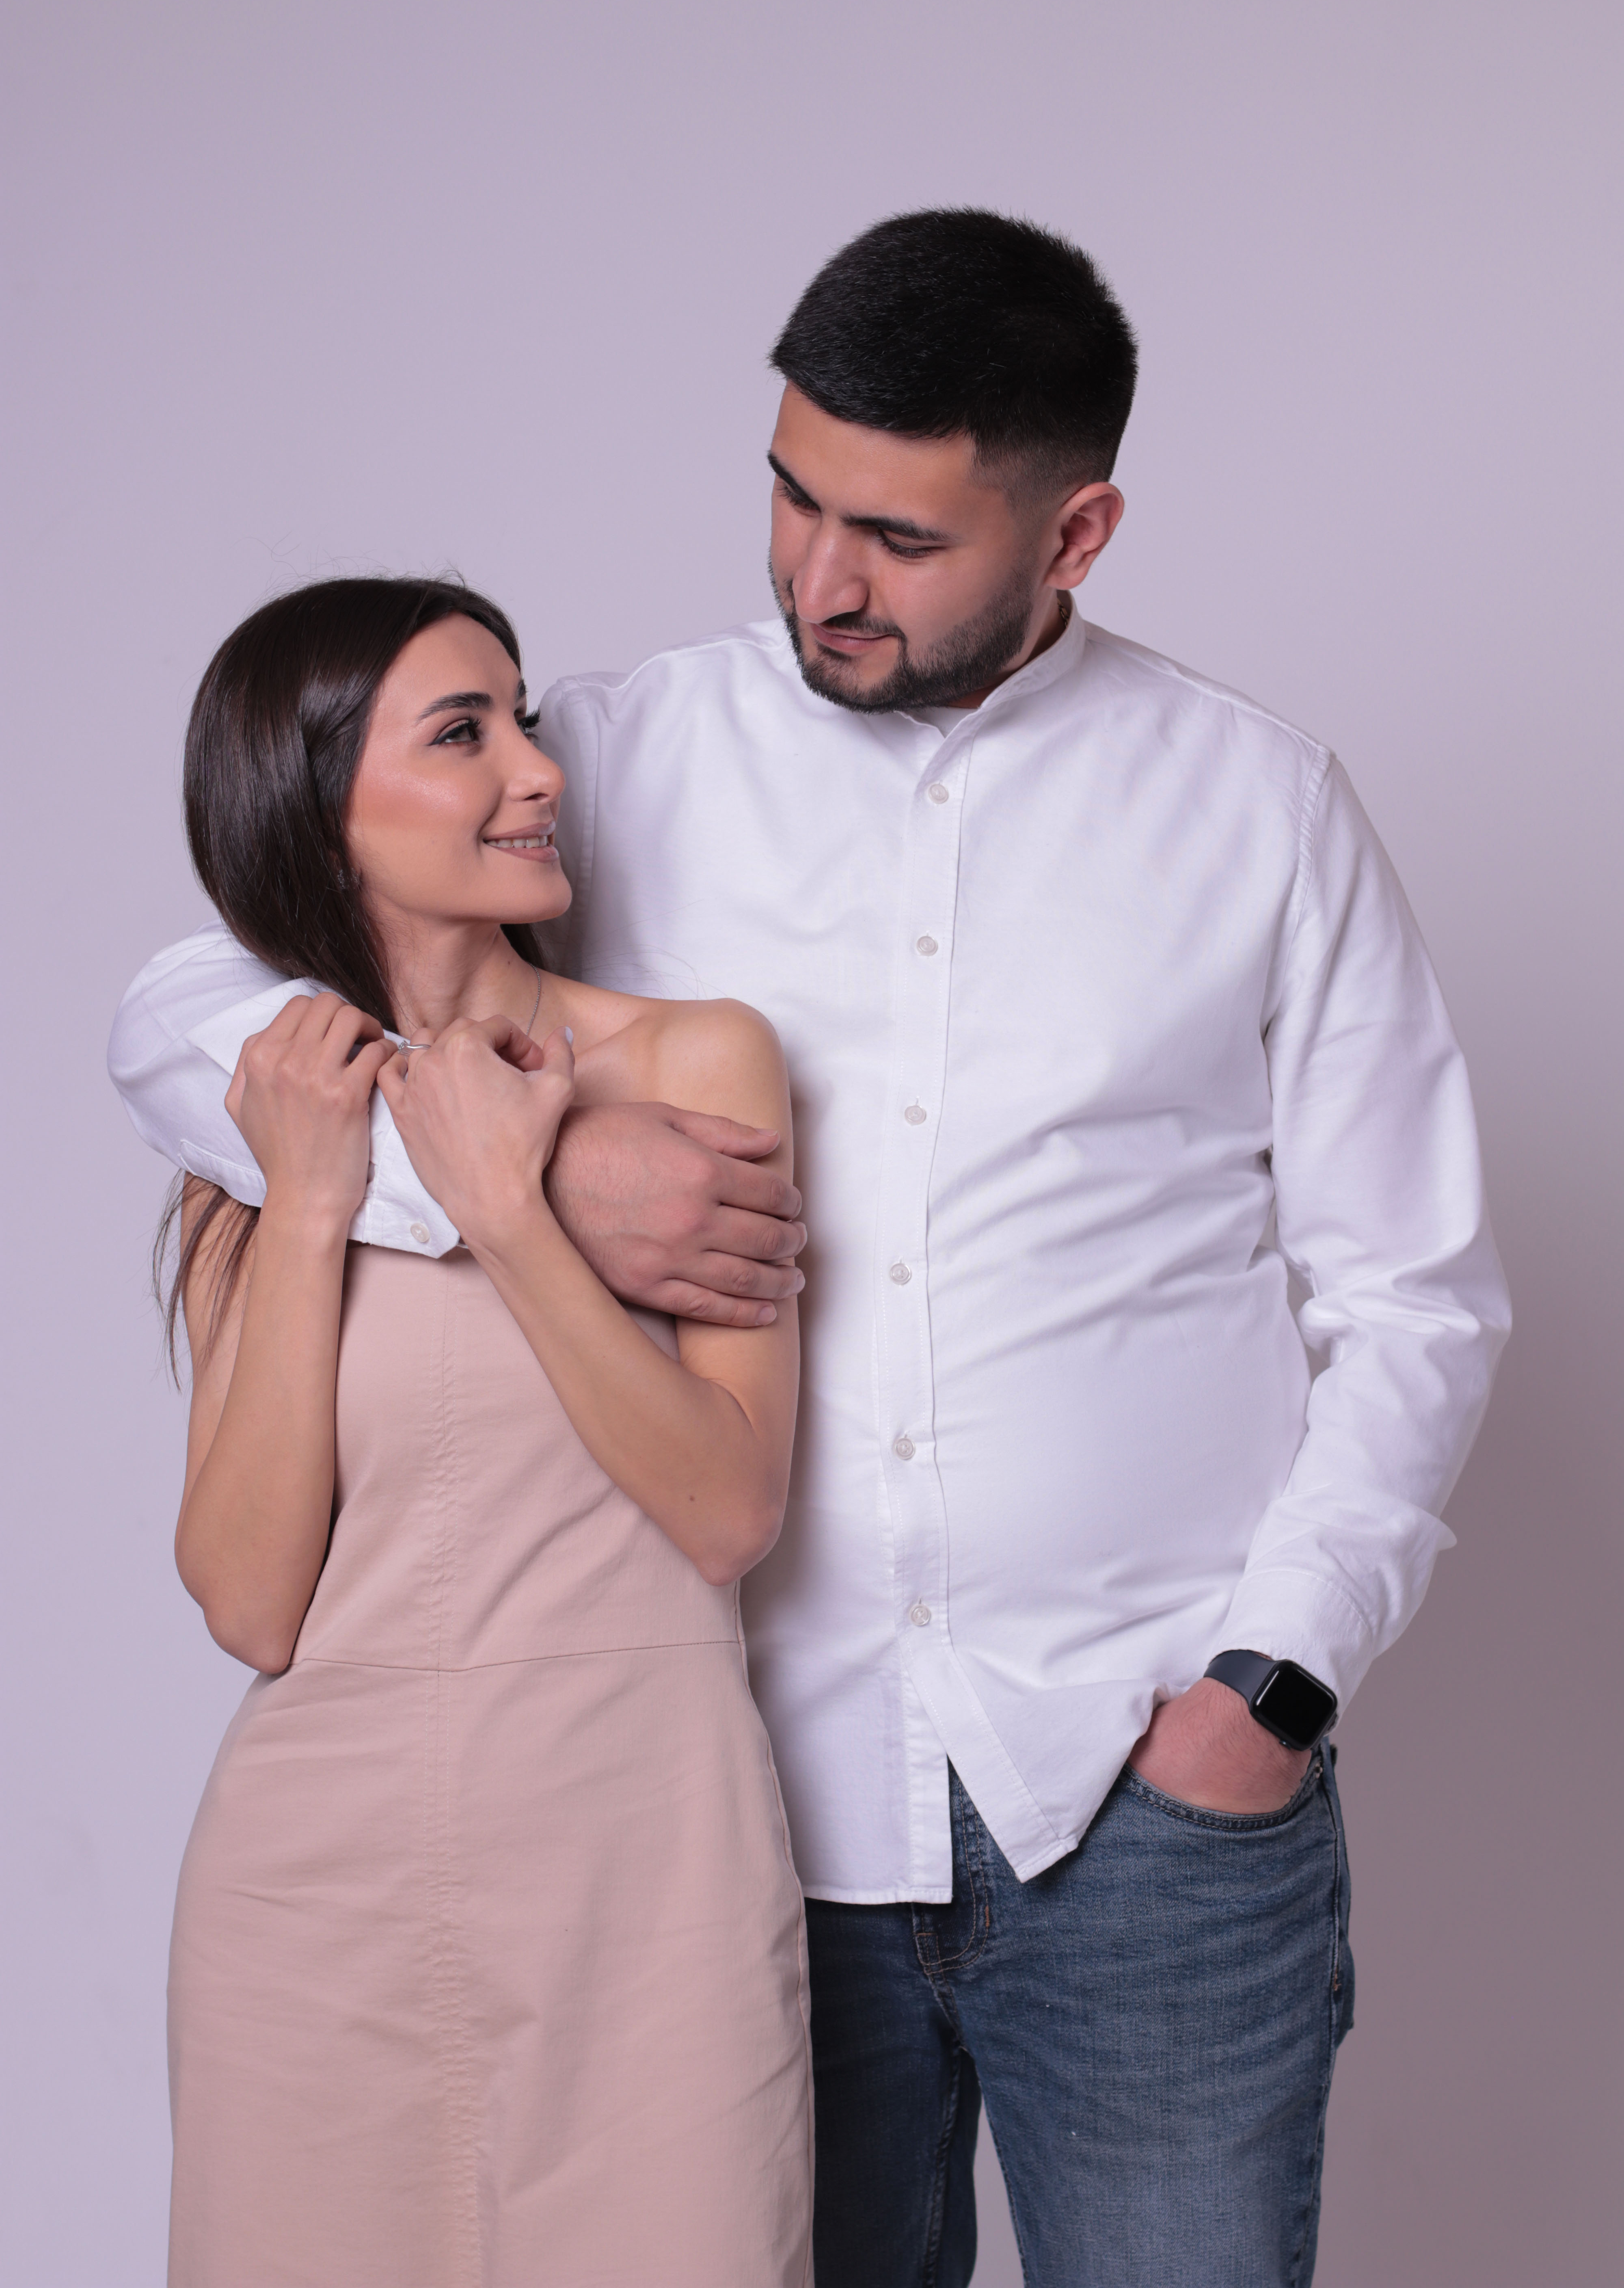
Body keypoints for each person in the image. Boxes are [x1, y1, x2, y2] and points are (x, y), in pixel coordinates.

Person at [112, 211, 1511, 2288]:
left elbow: (1415, 1294)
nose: (817, 577)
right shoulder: (614, 756)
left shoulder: (1259, 811)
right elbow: (197, 998)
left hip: (1137, 1806)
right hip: (734, 1814)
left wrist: (1268, 1690)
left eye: (897, 535)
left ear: (1078, 529)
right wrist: (519, 1185)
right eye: (787, 494)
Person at [139, 577, 812, 2288]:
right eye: (464, 734)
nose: (536, 772)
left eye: (521, 719)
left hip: (640, 1864)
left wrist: (508, 1210)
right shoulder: (265, 1124)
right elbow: (251, 1603)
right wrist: (306, 1205)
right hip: (316, 1888)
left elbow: (728, 1510)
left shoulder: (693, 1063)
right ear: (316, 806)